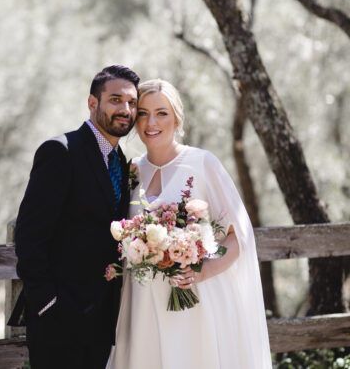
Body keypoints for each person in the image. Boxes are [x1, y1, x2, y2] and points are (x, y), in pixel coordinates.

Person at [108, 79, 272, 369]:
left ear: (177, 118)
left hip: (192, 299)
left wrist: (202, 271)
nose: (151, 122)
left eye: (162, 113)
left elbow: (238, 236)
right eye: (143, 113)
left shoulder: (202, 163)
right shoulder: (130, 168)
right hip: (141, 303)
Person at [11, 65, 140, 369]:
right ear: (93, 103)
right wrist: (48, 304)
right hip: (58, 321)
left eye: (132, 103)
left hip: (103, 321)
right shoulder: (61, 151)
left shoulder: (121, 162)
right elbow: (29, 236)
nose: (125, 109)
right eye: (115, 100)